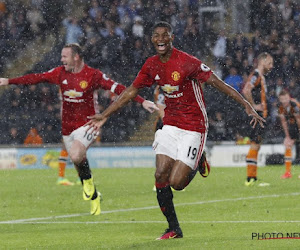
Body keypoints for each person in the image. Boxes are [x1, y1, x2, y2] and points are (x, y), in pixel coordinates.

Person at [86, 21, 265, 240]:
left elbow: (218, 83)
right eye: (156, 35)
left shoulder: (187, 62)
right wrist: (105, 114)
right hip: (170, 124)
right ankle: (173, 228)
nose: (160, 39)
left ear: (172, 38)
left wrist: (246, 105)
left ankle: (199, 159)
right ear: (152, 39)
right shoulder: (151, 65)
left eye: (165, 35)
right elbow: (131, 91)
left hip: (194, 126)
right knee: (160, 174)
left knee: (177, 184)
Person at [0, 43, 157, 216]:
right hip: (67, 128)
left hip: (88, 123)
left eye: (65, 56)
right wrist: (9, 81)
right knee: (77, 160)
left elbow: (119, 88)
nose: (62, 60)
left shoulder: (93, 75)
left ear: (76, 57)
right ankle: (94, 194)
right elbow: (36, 78)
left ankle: (88, 183)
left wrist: (142, 102)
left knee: (75, 154)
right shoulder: (60, 73)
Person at [242, 52, 274, 186]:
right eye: (270, 63)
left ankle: (252, 176)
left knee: (257, 144)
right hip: (257, 115)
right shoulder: (256, 75)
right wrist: (253, 106)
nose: (271, 66)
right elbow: (246, 90)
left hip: (261, 115)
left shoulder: (260, 76)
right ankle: (250, 178)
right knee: (255, 144)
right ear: (262, 62)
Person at [277, 90, 300, 179]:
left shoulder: (294, 105)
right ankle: (288, 172)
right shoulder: (281, 107)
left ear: (289, 97)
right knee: (287, 144)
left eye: (286, 98)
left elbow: (298, 119)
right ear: (280, 99)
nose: (284, 101)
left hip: (298, 125)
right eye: (282, 99)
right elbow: (283, 122)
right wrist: (287, 136)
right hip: (293, 127)